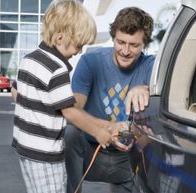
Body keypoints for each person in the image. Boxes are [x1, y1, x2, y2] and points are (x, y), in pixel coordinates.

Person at [11, 1, 128, 193]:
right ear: (59, 38)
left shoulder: (28, 59)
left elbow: (15, 93)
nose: (79, 51)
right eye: (78, 45)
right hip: (45, 153)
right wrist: (98, 132)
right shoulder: (56, 69)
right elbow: (70, 112)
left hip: (25, 149)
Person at [65, 6, 155, 193]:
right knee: (70, 133)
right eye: (120, 42)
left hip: (127, 157)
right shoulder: (91, 61)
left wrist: (146, 88)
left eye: (134, 45)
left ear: (144, 44)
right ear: (113, 37)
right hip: (90, 151)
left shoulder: (150, 67)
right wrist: (109, 127)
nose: (125, 51)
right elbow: (73, 110)